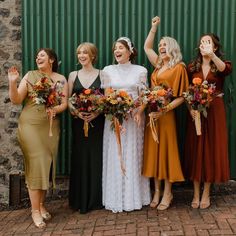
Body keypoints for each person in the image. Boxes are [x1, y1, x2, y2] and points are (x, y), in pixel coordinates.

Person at [7, 48, 68, 228]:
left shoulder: (61, 79)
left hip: (50, 127)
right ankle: (34, 211)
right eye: (36, 56)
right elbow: (17, 99)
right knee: (36, 162)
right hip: (30, 125)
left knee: (44, 164)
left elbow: (64, 103)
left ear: (51, 59)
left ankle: (41, 206)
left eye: (42, 55)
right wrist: (12, 83)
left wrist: (55, 109)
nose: (37, 58)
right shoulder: (30, 75)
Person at [142, 16, 189, 210]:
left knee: (167, 153)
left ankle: (168, 193)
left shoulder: (179, 68)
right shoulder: (158, 65)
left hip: (166, 116)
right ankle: (157, 191)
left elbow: (182, 96)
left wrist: (164, 110)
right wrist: (154, 28)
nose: (161, 47)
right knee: (154, 153)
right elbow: (146, 48)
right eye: (160, 45)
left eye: (164, 44)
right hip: (152, 116)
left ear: (172, 48)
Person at [102, 37, 151, 213]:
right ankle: (115, 197)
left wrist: (138, 111)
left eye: (121, 47)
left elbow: (144, 95)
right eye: (115, 48)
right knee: (116, 154)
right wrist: (114, 111)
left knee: (133, 155)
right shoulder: (107, 70)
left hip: (134, 119)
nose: (117, 50)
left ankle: (134, 197)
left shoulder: (140, 70)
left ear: (130, 51)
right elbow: (107, 96)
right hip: (115, 119)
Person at [184, 34, 232, 209]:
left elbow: (225, 71)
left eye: (208, 42)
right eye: (202, 42)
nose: (204, 44)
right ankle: (196, 192)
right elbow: (187, 92)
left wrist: (212, 55)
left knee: (211, 149)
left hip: (215, 111)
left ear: (215, 47)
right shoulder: (191, 67)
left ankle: (206, 193)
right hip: (196, 111)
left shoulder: (222, 65)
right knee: (196, 149)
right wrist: (191, 110)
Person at [68, 42, 105, 213]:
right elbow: (67, 100)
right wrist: (76, 112)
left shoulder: (102, 74)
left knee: (95, 158)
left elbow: (106, 99)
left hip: (97, 124)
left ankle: (95, 199)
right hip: (78, 123)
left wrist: (96, 113)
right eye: (79, 53)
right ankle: (79, 199)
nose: (81, 55)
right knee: (81, 158)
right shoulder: (72, 75)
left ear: (93, 55)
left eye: (85, 52)